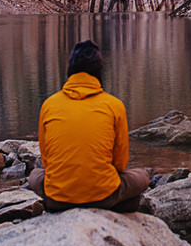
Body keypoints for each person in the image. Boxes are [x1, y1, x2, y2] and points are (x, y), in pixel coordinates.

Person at [28, 39, 149, 212]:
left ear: (70, 70)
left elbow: (47, 162)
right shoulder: (114, 105)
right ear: (99, 72)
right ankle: (118, 205)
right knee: (143, 177)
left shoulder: (49, 104)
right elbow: (120, 164)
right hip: (103, 197)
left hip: (58, 199)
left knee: (34, 176)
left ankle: (54, 204)